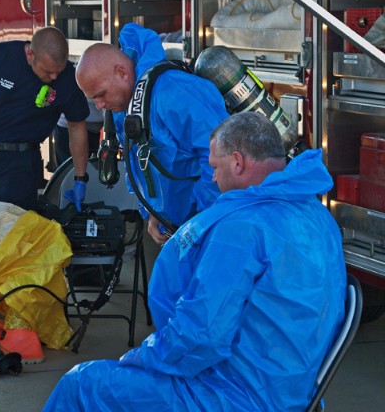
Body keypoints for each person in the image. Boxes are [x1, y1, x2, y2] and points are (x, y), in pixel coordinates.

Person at [43, 113, 347, 411]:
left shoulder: (242, 228)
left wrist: (139, 358)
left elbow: (201, 337)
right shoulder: (316, 214)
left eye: (214, 167)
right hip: (293, 388)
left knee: (81, 384)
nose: (213, 178)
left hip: (236, 394)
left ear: (238, 163)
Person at [75, 23, 229, 244]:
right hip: (177, 229)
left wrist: (200, 223)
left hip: (206, 228)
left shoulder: (174, 91)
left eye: (100, 95)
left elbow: (220, 157)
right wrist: (152, 213)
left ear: (121, 73)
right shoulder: (125, 105)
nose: (99, 106)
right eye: (94, 99)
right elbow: (137, 164)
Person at [0, 27, 90, 211]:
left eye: (58, 71)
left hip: (23, 162)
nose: (54, 77)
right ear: (30, 54)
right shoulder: (1, 56)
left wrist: (80, 177)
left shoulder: (67, 77)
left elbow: (76, 127)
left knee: (13, 227)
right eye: (48, 71)